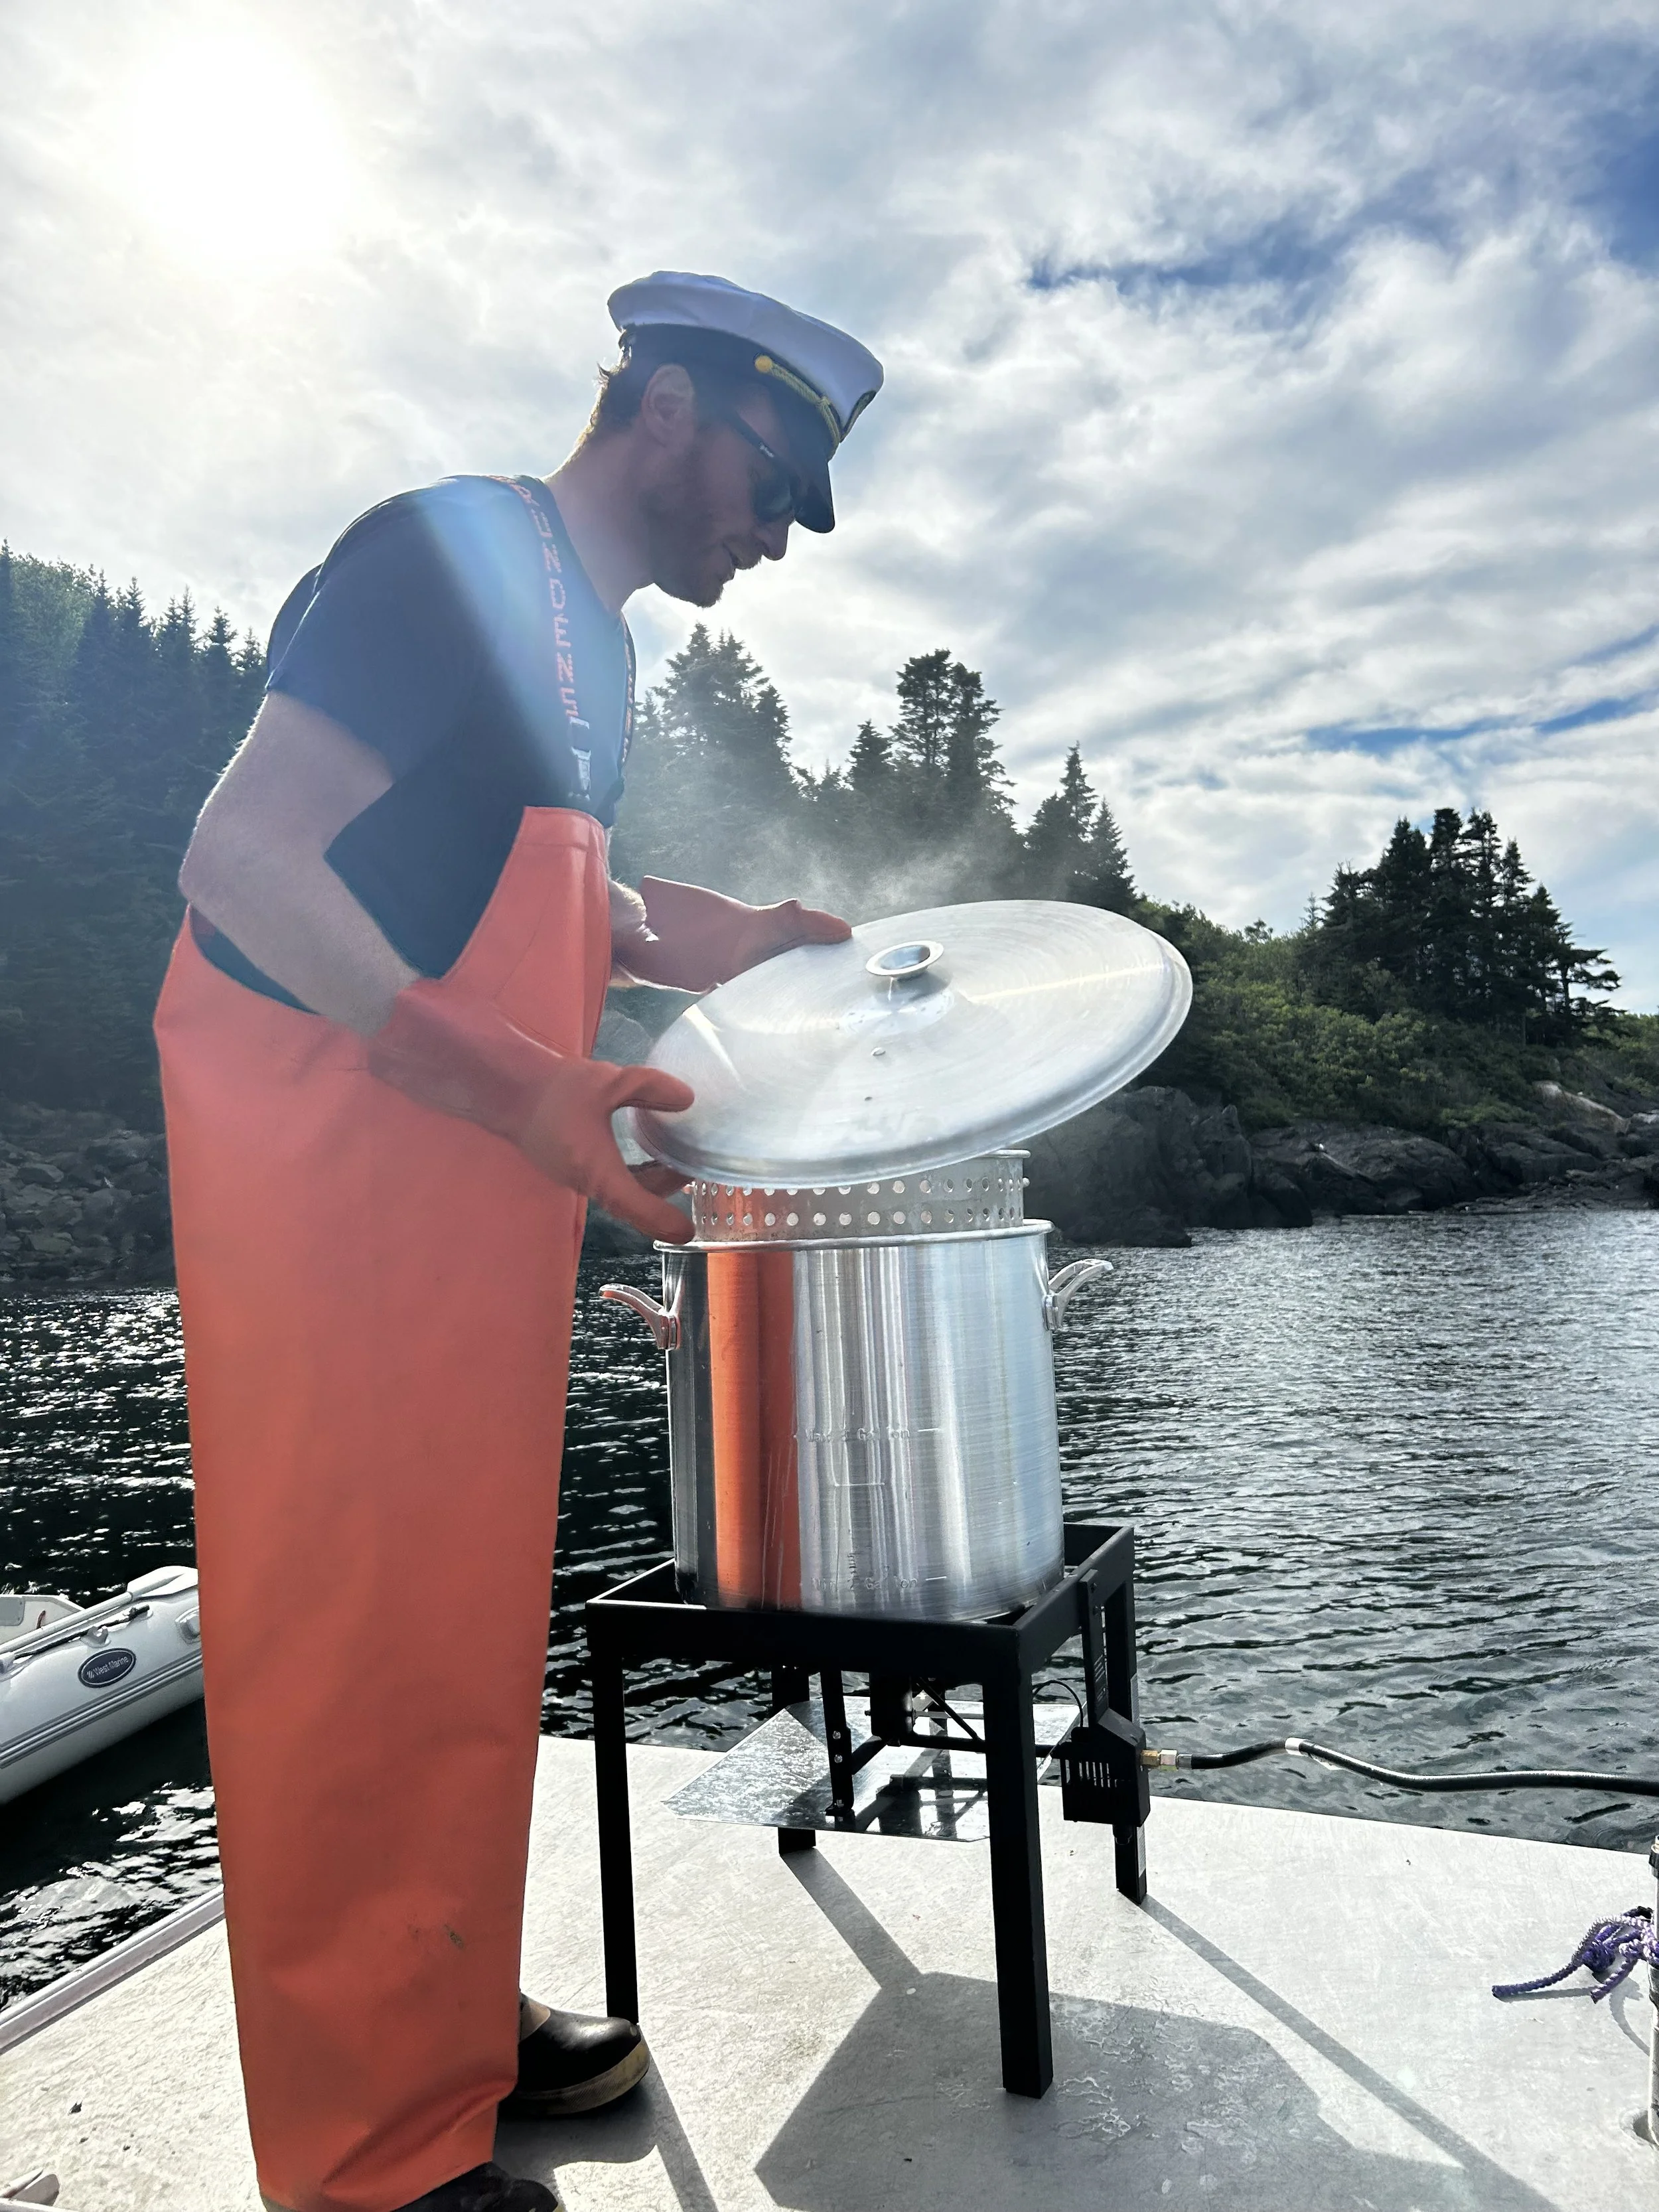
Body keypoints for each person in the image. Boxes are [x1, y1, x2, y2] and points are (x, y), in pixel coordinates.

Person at [153, 273, 883, 2212]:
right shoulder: (441, 550)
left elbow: (486, 854)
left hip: (469, 1192)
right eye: (764, 480)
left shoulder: (598, 648)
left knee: (462, 1631)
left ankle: (442, 2030)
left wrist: (677, 932)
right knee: (343, 1635)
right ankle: (360, 2157)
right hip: (331, 1180)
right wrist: (510, 1083)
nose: (772, 532)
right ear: (660, 406)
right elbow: (243, 859)